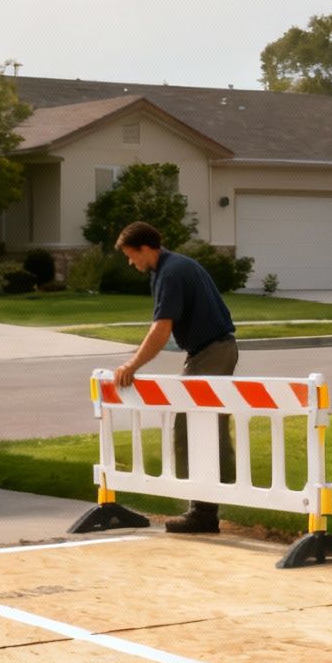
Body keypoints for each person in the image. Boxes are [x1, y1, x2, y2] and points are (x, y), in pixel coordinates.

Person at [111, 221, 237, 533]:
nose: (131, 262)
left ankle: (203, 513)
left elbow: (162, 328)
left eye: (131, 255)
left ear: (145, 249)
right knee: (199, 424)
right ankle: (207, 506)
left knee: (194, 426)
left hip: (212, 350)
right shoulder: (171, 267)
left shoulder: (171, 272)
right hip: (209, 349)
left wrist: (132, 365)